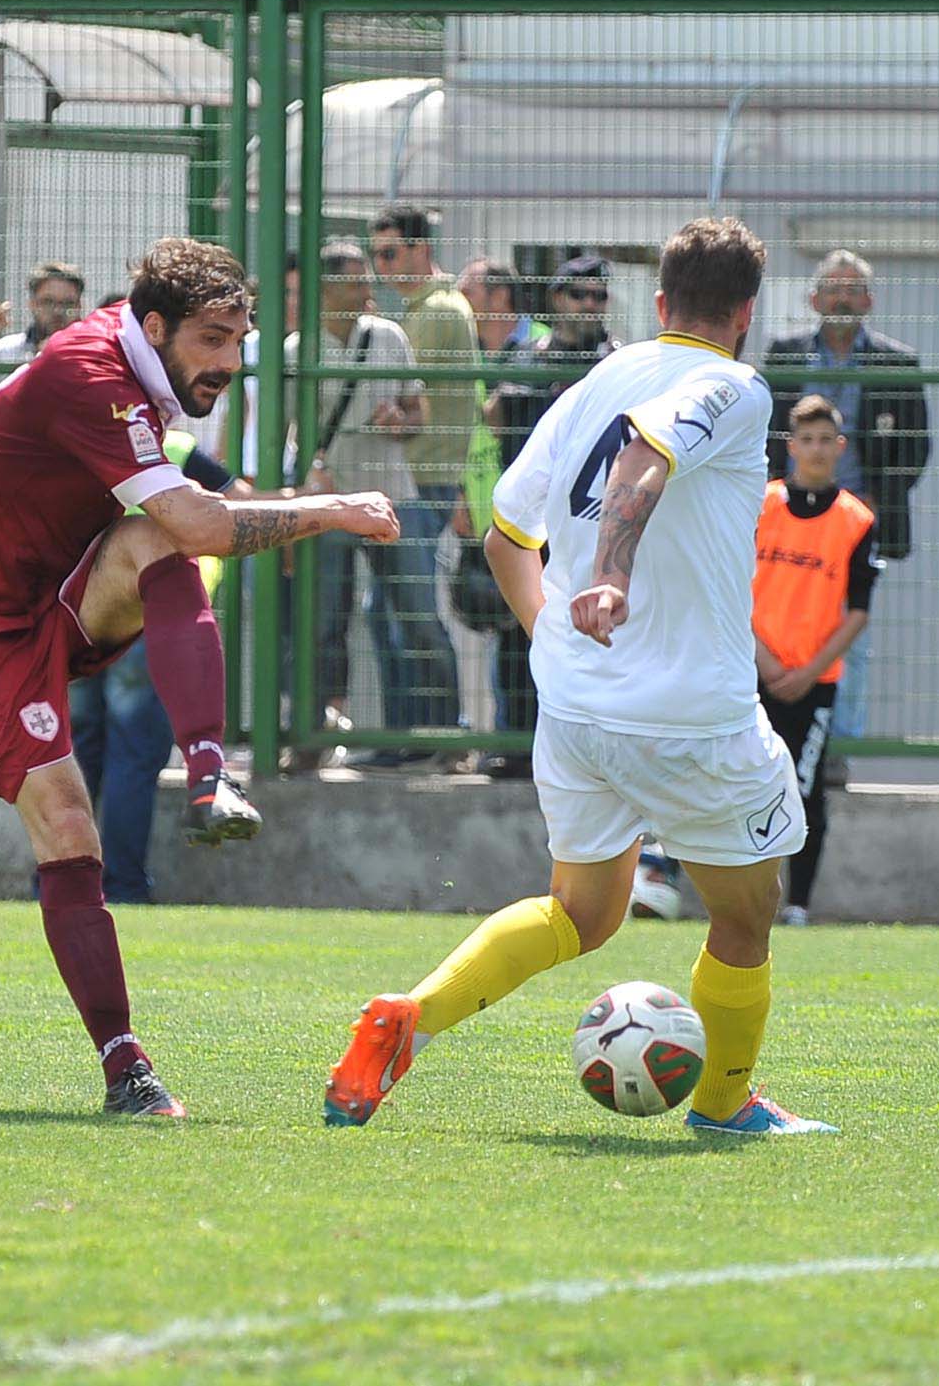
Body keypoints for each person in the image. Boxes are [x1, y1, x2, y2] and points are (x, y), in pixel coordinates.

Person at [325, 217, 835, 1137]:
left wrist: (552, 638)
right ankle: (723, 1103)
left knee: (581, 911)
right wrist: (611, 573)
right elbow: (647, 456)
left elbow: (504, 532)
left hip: (577, 709)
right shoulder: (735, 384)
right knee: (750, 914)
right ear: (748, 315)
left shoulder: (595, 380)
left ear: (661, 303)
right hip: (691, 716)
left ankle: (412, 1016)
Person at [0, 238, 399, 1118]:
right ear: (154, 326)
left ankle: (209, 778)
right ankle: (123, 1064)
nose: (230, 363)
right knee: (68, 823)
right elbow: (204, 524)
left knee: (156, 540)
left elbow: (182, 502)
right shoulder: (91, 373)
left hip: (63, 592)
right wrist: (330, 510)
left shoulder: (142, 374)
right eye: (213, 340)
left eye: (240, 341)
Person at [761, 250, 930, 785]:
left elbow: (915, 447)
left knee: (848, 637)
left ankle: (835, 752)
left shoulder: (895, 361)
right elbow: (765, 438)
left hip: (856, 521)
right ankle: (768, 747)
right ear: (813, 299)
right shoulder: (785, 356)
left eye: (852, 289)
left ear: (868, 301)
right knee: (776, 628)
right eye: (832, 288)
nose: (841, 298)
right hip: (787, 517)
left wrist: (876, 505)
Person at [68, 429, 255, 906]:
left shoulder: (70, 438)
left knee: (74, 758)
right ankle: (124, 886)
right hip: (148, 615)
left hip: (79, 616)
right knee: (132, 757)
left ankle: (64, 884)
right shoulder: (171, 447)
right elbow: (239, 502)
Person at [478, 254, 625, 779]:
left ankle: (587, 751)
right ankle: (516, 742)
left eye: (598, 296)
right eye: (578, 294)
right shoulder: (526, 354)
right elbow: (497, 419)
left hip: (591, 522)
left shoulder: (617, 361)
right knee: (520, 633)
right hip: (530, 521)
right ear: (555, 300)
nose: (589, 305)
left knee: (594, 632)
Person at [289, 241, 428, 740]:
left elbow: (419, 412)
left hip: (393, 498)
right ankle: (319, 730)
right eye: (356, 282)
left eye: (367, 280)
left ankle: (439, 735)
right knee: (325, 624)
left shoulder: (388, 336)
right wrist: (309, 470)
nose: (369, 290)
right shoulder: (296, 349)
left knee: (418, 618)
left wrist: (401, 419)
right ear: (326, 289)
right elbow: (280, 433)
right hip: (331, 505)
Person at [754, 397, 880, 927]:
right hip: (754, 672)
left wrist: (807, 672)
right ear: (791, 446)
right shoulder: (762, 506)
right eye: (806, 440)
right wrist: (762, 659)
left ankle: (798, 903)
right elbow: (729, 588)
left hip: (814, 682)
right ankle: (745, 897)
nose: (816, 450)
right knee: (744, 786)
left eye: (826, 440)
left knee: (804, 794)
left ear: (840, 447)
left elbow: (857, 613)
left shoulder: (856, 521)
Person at [364, 204, 473, 762]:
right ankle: (409, 736)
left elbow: (396, 398)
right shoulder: (419, 310)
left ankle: (441, 733)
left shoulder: (434, 312)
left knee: (407, 609)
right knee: (387, 610)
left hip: (421, 483)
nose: (380, 267)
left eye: (388, 253)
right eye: (375, 256)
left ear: (419, 248)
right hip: (410, 482)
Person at [0, 261, 86, 410]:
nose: (58, 311)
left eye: (68, 303)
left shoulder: (95, 354)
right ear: (32, 304)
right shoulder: (6, 351)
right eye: (48, 302)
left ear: (79, 306)